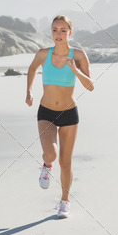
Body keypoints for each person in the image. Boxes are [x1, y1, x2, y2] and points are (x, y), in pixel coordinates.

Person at [25, 15, 94, 219]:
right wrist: (29, 91)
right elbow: (31, 69)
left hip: (69, 114)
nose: (59, 34)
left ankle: (65, 202)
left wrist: (75, 70)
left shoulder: (79, 56)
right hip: (46, 112)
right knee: (51, 154)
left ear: (70, 33)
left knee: (66, 162)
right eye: (55, 30)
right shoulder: (43, 54)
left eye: (63, 30)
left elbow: (91, 86)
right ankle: (46, 166)